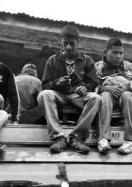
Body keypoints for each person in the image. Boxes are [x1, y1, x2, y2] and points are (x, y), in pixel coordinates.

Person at [37, 24, 102, 154]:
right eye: (65, 43)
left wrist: (85, 88)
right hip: (59, 95)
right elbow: (45, 84)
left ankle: (76, 138)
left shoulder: (86, 60)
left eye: (72, 44)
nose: (68, 47)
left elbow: (93, 83)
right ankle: (58, 137)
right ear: (61, 41)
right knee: (44, 95)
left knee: (96, 98)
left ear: (78, 42)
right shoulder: (53, 60)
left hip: (77, 96)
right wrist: (57, 84)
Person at [95, 37, 132, 155]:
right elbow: (90, 86)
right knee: (105, 96)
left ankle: (131, 141)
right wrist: (104, 88)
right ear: (105, 53)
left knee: (128, 95)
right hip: (107, 99)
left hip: (125, 99)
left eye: (121, 53)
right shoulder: (98, 68)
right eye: (114, 52)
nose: (118, 56)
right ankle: (103, 139)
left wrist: (127, 87)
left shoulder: (127, 66)